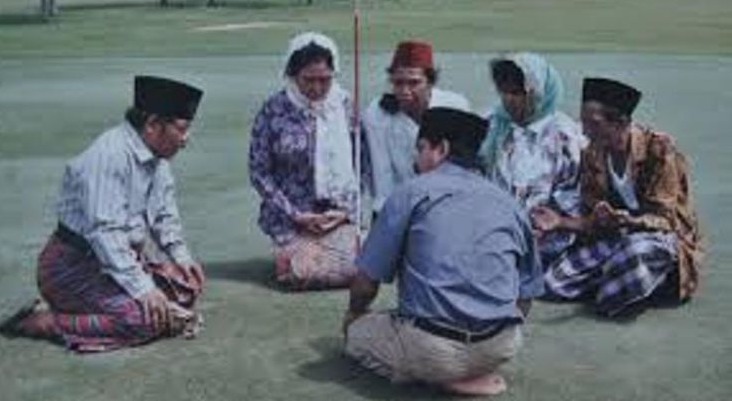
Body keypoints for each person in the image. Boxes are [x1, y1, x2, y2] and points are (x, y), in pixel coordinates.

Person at [0, 76, 206, 352]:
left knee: (184, 287)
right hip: (71, 267)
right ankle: (45, 320)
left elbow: (164, 216)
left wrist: (181, 257)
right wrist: (143, 289)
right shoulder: (109, 155)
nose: (185, 139)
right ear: (153, 124)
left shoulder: (157, 158)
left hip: (115, 261)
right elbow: (106, 234)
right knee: (145, 319)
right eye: (182, 129)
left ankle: (82, 307)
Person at [344, 107, 543, 396]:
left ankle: (441, 375)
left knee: (357, 335)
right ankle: (469, 368)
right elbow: (526, 295)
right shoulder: (510, 204)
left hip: (432, 347)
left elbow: (366, 283)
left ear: (441, 149)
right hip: (501, 344)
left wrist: (354, 314)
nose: (416, 158)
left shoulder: (411, 191)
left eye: (421, 148)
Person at [533, 77, 704, 318]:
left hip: (660, 239)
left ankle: (647, 280)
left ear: (620, 122)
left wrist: (630, 221)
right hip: (619, 236)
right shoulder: (593, 153)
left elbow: (668, 220)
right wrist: (560, 222)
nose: (584, 131)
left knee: (635, 253)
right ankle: (626, 282)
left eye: (592, 123)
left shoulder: (659, 149)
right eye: (583, 122)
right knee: (553, 284)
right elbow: (593, 220)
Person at [248, 32, 359, 290]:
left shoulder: (345, 106)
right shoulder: (273, 110)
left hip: (336, 215)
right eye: (308, 80)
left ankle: (313, 256)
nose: (317, 88)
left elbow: (360, 165)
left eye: (325, 80)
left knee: (366, 270)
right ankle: (299, 257)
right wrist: (297, 215)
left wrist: (344, 212)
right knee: (303, 274)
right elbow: (259, 172)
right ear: (292, 75)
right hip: (290, 217)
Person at [479, 52, 585, 266]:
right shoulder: (488, 125)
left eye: (517, 92)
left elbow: (572, 192)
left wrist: (544, 224)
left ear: (538, 92)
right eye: (504, 91)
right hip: (490, 234)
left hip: (548, 240)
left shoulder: (566, 135)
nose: (509, 99)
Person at [362, 40, 471, 216]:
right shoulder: (378, 114)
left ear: (430, 82)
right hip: (400, 206)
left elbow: (464, 170)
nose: (405, 91)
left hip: (449, 205)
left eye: (414, 83)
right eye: (398, 83)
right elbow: (383, 178)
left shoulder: (456, 107)